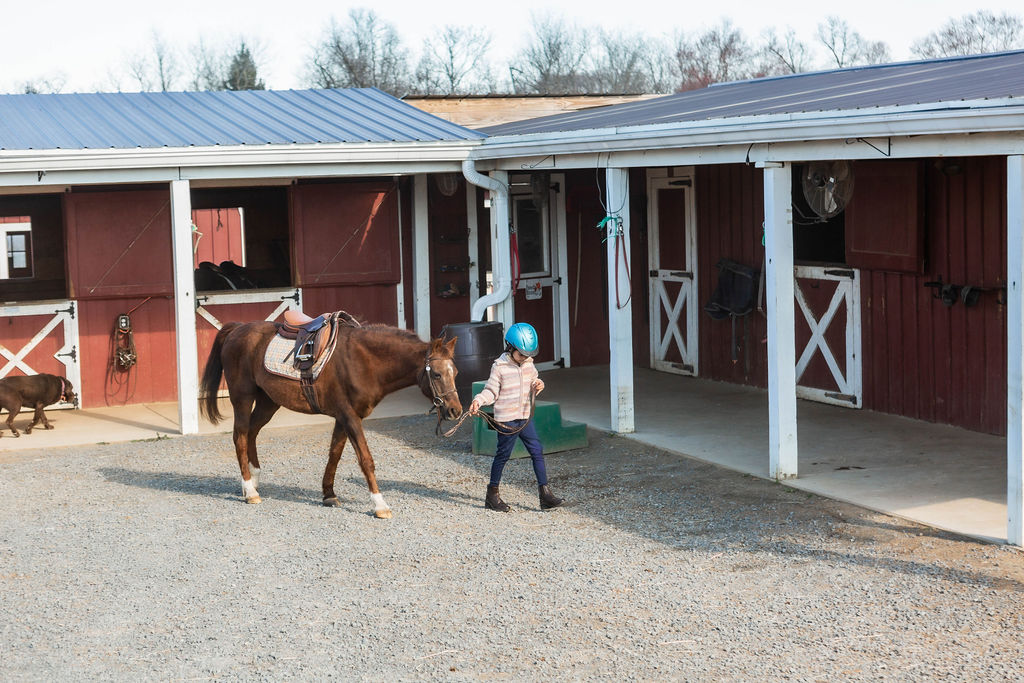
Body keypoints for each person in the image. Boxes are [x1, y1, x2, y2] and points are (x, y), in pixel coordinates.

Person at [469, 322, 565, 512]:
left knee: (537, 450)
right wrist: (478, 401)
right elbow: (491, 391)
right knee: (503, 455)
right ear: (510, 347)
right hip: (507, 420)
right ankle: (492, 495)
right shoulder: (500, 366)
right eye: (521, 354)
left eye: (528, 355)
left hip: (524, 417)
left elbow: (533, 379)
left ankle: (545, 494)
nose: (525, 358)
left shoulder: (528, 363)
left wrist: (538, 384)